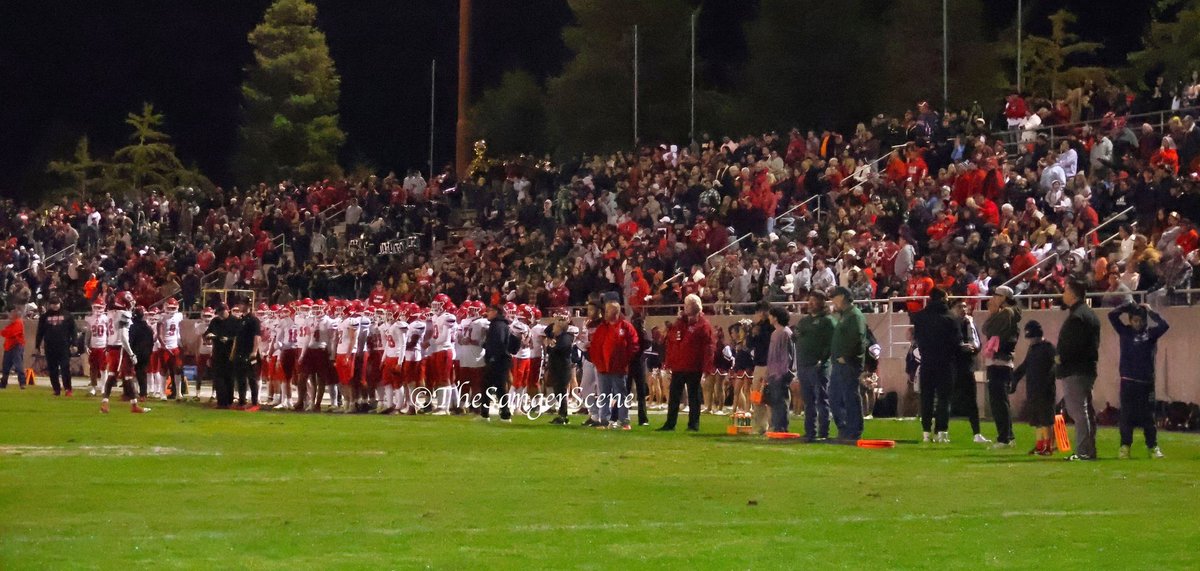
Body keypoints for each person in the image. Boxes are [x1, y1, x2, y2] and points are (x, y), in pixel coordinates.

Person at [1108, 302, 1169, 459]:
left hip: (1146, 383)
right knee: (1126, 416)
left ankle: (1152, 446)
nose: (1137, 323)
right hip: (1128, 382)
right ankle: (1125, 446)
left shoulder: (1150, 334)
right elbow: (1112, 316)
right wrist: (1126, 306)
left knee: (1149, 416)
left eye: (1139, 320)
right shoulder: (1125, 332)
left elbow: (1165, 325)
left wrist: (1150, 311)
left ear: (1144, 321)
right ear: (1130, 320)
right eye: (1134, 320)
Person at [1056, 280, 1101, 461]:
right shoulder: (1089, 315)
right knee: (1085, 411)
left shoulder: (1077, 317)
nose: (1063, 294)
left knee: (1078, 412)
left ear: (1073, 294)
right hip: (1086, 368)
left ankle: (1083, 451)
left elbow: (1072, 345)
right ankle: (1089, 449)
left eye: (1066, 290)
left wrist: (1060, 358)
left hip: (1075, 369)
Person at [911, 289, 961, 443]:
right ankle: (942, 431)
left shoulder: (920, 317)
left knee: (926, 397)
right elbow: (956, 342)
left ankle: (926, 431)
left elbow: (917, 338)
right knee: (944, 398)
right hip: (945, 363)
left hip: (927, 361)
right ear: (943, 298)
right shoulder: (951, 318)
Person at [659, 294, 715, 432]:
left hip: (693, 367)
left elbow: (709, 348)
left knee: (694, 396)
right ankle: (670, 423)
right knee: (674, 396)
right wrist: (669, 363)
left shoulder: (703, 325)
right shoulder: (680, 323)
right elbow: (672, 343)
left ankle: (693, 424)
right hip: (679, 366)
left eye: (687, 305)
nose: (684, 307)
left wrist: (706, 368)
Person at [981, 285, 1022, 447]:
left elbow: (987, 328)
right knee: (1001, 400)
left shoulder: (1006, 313)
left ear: (1003, 298)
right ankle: (1008, 436)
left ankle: (1004, 437)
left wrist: (992, 313)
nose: (993, 298)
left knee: (998, 401)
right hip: (1004, 362)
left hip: (999, 361)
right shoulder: (1011, 313)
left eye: (996, 295)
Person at [1011, 321, 1057, 456]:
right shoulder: (1033, 349)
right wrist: (1015, 377)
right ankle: (1039, 445)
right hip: (1033, 389)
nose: (1030, 340)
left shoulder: (1048, 348)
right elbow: (1026, 365)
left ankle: (1048, 446)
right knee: (1037, 420)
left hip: (1045, 389)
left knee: (1046, 420)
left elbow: (1057, 364)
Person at [794, 290, 835, 441]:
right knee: (808, 400)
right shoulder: (804, 321)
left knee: (821, 399)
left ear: (822, 302)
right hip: (803, 365)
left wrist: (822, 360)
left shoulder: (827, 321)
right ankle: (810, 431)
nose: (810, 303)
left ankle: (824, 432)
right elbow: (796, 335)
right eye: (809, 300)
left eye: (814, 301)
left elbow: (831, 343)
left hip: (818, 367)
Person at [590, 300, 638, 430]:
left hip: (618, 368)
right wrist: (597, 362)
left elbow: (633, 345)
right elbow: (595, 346)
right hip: (602, 368)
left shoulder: (626, 327)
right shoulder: (602, 328)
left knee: (621, 395)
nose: (605, 313)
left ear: (616, 312)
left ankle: (624, 421)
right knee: (603, 395)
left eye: (607, 311)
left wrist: (624, 361)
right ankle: (604, 421)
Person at [829, 287, 867, 441]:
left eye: (834, 297)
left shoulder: (854, 315)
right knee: (836, 397)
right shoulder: (845, 315)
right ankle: (844, 429)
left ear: (843, 296)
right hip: (840, 364)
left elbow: (857, 338)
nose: (832, 301)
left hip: (848, 364)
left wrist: (847, 356)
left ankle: (853, 430)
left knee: (849, 397)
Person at [950, 299, 989, 444]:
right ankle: (941, 431)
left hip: (967, 366)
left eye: (965, 306)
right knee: (947, 399)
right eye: (960, 306)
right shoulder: (951, 324)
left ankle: (977, 433)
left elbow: (978, 343)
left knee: (972, 400)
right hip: (953, 366)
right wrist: (960, 348)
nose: (963, 309)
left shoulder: (970, 324)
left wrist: (973, 349)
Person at [36, 296, 76, 396]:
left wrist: (74, 343)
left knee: (65, 368)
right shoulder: (44, 317)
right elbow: (40, 332)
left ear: (60, 303)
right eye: (53, 304)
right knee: (52, 369)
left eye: (56, 304)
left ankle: (68, 389)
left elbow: (73, 330)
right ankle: (56, 389)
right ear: (50, 304)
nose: (55, 306)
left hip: (64, 346)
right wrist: (37, 345)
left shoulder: (67, 315)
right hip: (49, 346)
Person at [480, 303, 514, 422]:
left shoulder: (497, 325)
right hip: (501, 359)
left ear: (495, 312)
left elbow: (499, 342)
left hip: (498, 360)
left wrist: (493, 355)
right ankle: (501, 415)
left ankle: (492, 414)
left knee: (492, 387)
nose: (487, 313)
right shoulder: (500, 324)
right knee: (497, 387)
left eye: (489, 311)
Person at [543, 308, 576, 425]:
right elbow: (547, 331)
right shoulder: (558, 333)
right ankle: (562, 415)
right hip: (557, 366)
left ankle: (563, 415)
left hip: (563, 367)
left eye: (562, 319)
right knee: (558, 392)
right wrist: (555, 322)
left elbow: (559, 348)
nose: (553, 328)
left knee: (561, 392)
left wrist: (550, 347)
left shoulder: (567, 335)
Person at [764, 306, 794, 433]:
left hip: (780, 374)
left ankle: (781, 427)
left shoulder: (785, 333)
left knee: (780, 400)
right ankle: (776, 426)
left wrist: (782, 372)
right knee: (774, 401)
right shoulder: (775, 333)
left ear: (775, 317)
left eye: (771, 315)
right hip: (773, 372)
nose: (769, 318)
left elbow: (786, 355)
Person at [205, 304, 238, 409]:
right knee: (218, 378)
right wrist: (208, 336)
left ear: (227, 310)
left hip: (230, 353)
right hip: (217, 352)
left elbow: (239, 337)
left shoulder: (235, 321)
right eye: (218, 312)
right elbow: (207, 333)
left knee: (229, 378)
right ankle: (221, 402)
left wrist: (228, 339)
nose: (220, 314)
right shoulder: (215, 321)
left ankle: (229, 401)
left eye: (222, 312)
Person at [747, 302, 773, 433]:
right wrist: (752, 334)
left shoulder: (772, 326)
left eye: (764, 310)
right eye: (759, 311)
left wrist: (760, 334)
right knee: (756, 396)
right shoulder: (756, 326)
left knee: (769, 396)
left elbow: (769, 342)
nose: (762, 314)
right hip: (758, 365)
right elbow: (749, 344)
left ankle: (773, 425)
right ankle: (760, 426)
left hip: (770, 365)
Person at [232, 303, 263, 410]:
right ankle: (242, 401)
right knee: (240, 377)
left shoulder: (254, 320)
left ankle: (255, 403)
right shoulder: (241, 320)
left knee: (252, 377)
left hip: (249, 352)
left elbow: (257, 336)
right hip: (240, 352)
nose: (240, 306)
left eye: (242, 304)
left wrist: (254, 351)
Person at [129, 306, 154, 400]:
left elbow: (131, 341)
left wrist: (131, 352)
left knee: (133, 373)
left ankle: (135, 393)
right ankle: (143, 393)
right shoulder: (148, 328)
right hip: (146, 353)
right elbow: (151, 342)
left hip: (136, 353)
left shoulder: (133, 327)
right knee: (142, 373)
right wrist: (149, 352)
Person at [0, 308, 27, 389]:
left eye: (11, 314)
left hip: (16, 345)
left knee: (18, 365)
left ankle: (22, 383)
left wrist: (6, 332)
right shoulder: (12, 323)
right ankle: (3, 383)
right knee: (6, 366)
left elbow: (10, 333)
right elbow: (4, 332)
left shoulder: (18, 322)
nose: (9, 316)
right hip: (9, 346)